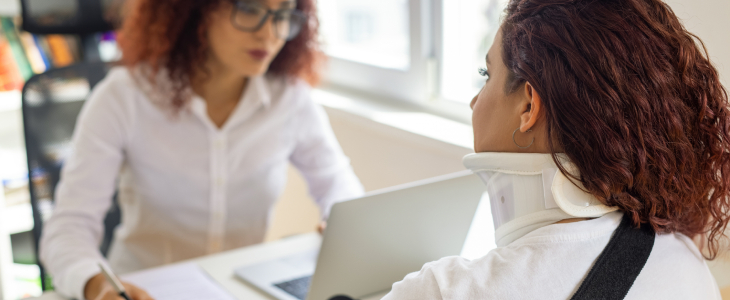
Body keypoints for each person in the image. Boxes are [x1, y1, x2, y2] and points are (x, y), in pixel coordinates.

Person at [382, 0, 730, 299]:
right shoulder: (684, 257)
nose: (475, 101)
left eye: (485, 74)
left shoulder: (441, 291)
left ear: (528, 107)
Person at [39, 0, 364, 299]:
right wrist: (98, 286)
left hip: (238, 290)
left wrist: (342, 223)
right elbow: (68, 228)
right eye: (250, 9)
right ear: (196, 9)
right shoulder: (124, 97)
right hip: (144, 290)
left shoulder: (290, 99)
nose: (270, 33)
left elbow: (339, 187)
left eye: (282, 16)